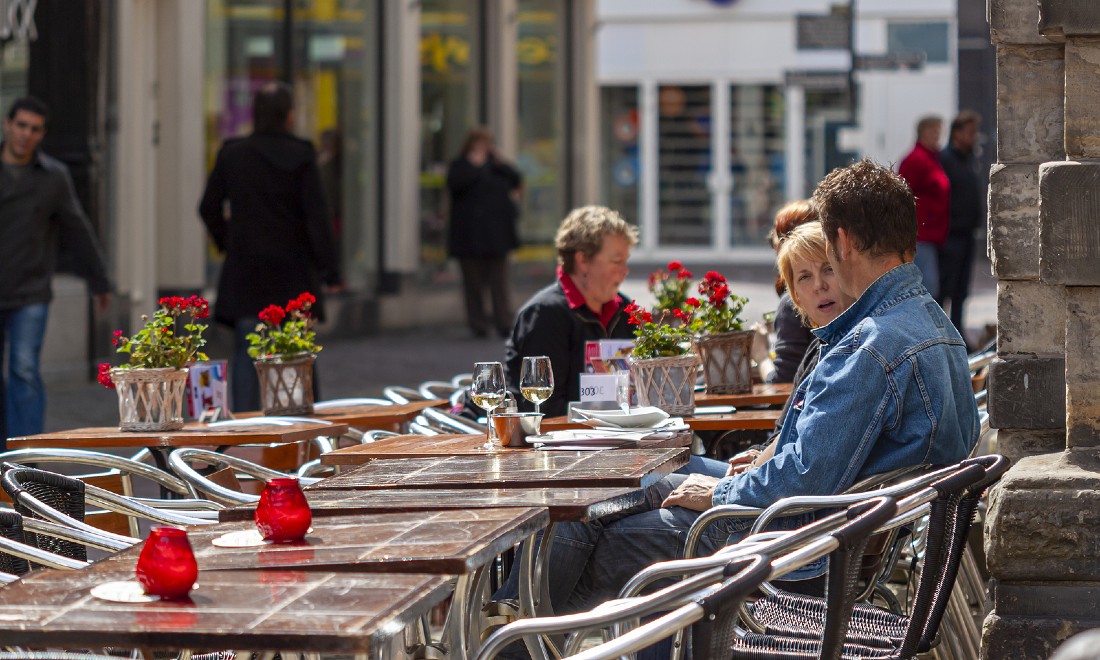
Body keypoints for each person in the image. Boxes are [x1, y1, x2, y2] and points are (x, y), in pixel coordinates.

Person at [538, 159, 980, 618]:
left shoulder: (871, 346)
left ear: (842, 242)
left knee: (605, 539)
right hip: (840, 540)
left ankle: (521, 624)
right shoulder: (934, 324)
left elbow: (805, 476)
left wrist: (719, 495)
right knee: (616, 495)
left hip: (799, 549)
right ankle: (525, 616)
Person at [199, 81, 341, 412]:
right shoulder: (302, 155)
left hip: (247, 267)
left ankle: (246, 430)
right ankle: (303, 427)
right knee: (298, 351)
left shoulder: (232, 153)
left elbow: (208, 207)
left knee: (249, 349)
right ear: (288, 116)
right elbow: (317, 217)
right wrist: (329, 269)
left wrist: (228, 240)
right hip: (293, 269)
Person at [0, 97, 112, 443]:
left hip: (30, 291)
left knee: (24, 369)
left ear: (42, 134)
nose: (25, 134)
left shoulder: (53, 177)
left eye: (34, 129)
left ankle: (26, 456)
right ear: (8, 124)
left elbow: (77, 229)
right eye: (21, 125)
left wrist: (99, 280)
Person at [504, 205, 638, 418]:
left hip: (620, 437)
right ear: (582, 260)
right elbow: (542, 410)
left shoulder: (624, 309)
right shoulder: (544, 315)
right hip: (564, 445)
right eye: (616, 261)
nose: (625, 270)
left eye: (626, 261)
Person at [446, 127, 523, 339]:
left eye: (486, 143)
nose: (482, 148)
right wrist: (477, 167)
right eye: (479, 143)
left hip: (497, 237)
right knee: (473, 284)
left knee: (499, 283)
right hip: (469, 237)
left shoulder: (497, 167)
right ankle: (478, 324)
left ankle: (504, 322)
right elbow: (456, 185)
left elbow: (516, 178)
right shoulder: (460, 166)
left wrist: (499, 161)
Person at [758, 200, 818, 384]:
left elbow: (782, 383)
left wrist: (760, 355)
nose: (819, 286)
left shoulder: (793, 301)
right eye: (805, 277)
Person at [938, 111, 984, 341]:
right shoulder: (946, 159)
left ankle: (957, 335)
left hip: (967, 234)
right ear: (956, 134)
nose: (974, 137)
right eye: (970, 132)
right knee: (945, 288)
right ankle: (939, 336)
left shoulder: (969, 159)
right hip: (951, 235)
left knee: (961, 292)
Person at [897, 115, 950, 300]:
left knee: (932, 287)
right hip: (921, 233)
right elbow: (904, 195)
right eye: (932, 131)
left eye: (938, 131)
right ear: (922, 133)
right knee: (927, 287)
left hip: (934, 232)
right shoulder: (916, 160)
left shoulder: (933, 159)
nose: (936, 136)